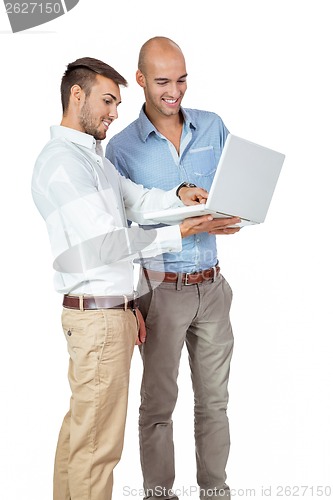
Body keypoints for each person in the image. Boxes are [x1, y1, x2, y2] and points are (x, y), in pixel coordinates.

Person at [31, 57, 240, 500]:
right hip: (97, 319)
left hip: (111, 312)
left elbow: (139, 200)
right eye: (107, 101)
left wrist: (180, 197)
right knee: (97, 447)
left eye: (117, 103)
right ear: (76, 94)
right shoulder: (64, 164)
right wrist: (181, 230)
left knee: (80, 439)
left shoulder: (93, 158)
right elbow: (106, 244)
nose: (113, 112)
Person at [106, 37, 240, 500]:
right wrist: (131, 303)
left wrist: (233, 214)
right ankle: (158, 496)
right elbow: (124, 234)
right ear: (141, 80)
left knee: (215, 404)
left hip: (213, 286)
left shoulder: (213, 127)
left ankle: (215, 492)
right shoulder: (121, 150)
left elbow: (232, 191)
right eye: (162, 81)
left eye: (181, 79)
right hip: (159, 291)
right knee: (158, 407)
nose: (174, 91)